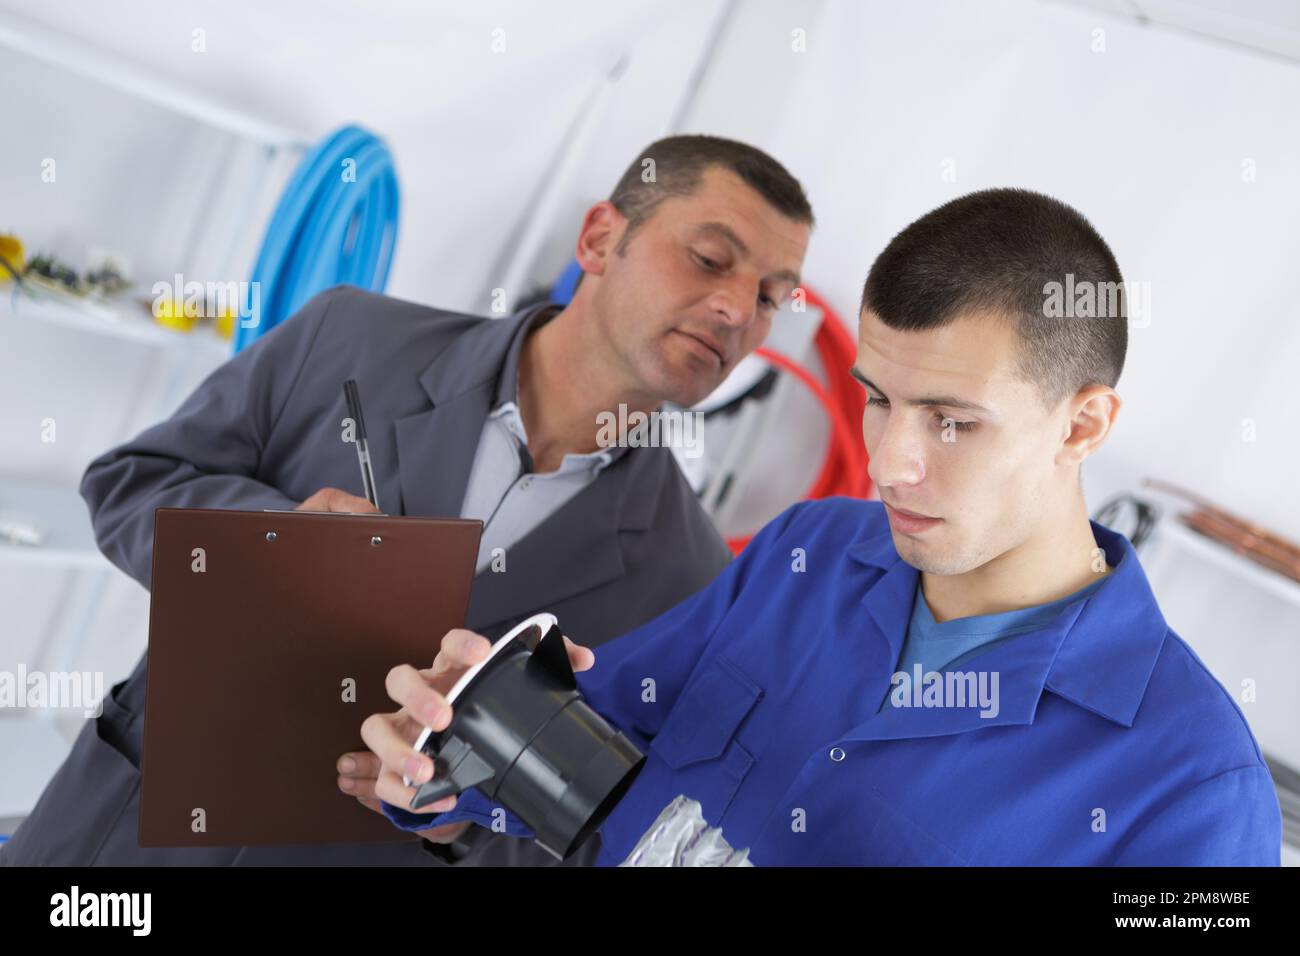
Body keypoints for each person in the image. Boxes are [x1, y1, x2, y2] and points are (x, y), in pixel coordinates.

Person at [369, 189, 1282, 865]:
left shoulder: (1195, 789)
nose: (889, 463)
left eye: (952, 420)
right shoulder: (807, 555)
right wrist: (450, 747)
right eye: (879, 401)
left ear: (1081, 425)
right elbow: (582, 757)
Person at [0, 135, 813, 867]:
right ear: (601, 238)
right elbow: (128, 483)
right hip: (126, 838)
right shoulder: (349, 338)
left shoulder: (693, 580)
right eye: (710, 259)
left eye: (773, 296)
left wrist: (456, 827)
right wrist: (270, 540)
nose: (738, 312)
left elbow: (591, 839)